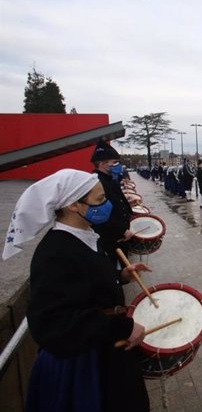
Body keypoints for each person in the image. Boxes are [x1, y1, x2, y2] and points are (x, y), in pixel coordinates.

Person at [2, 169, 150, 411]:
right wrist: (122, 327)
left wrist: (120, 276)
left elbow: (82, 282)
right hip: (83, 367)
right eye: (99, 200)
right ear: (73, 205)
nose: (107, 205)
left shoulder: (85, 235)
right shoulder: (55, 252)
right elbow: (52, 322)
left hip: (101, 349)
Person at [90, 139, 133, 260]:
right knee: (116, 269)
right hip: (110, 236)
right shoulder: (97, 182)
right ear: (102, 164)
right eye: (114, 162)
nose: (117, 165)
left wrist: (130, 213)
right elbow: (100, 213)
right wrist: (122, 230)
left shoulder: (109, 179)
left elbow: (118, 201)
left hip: (120, 234)